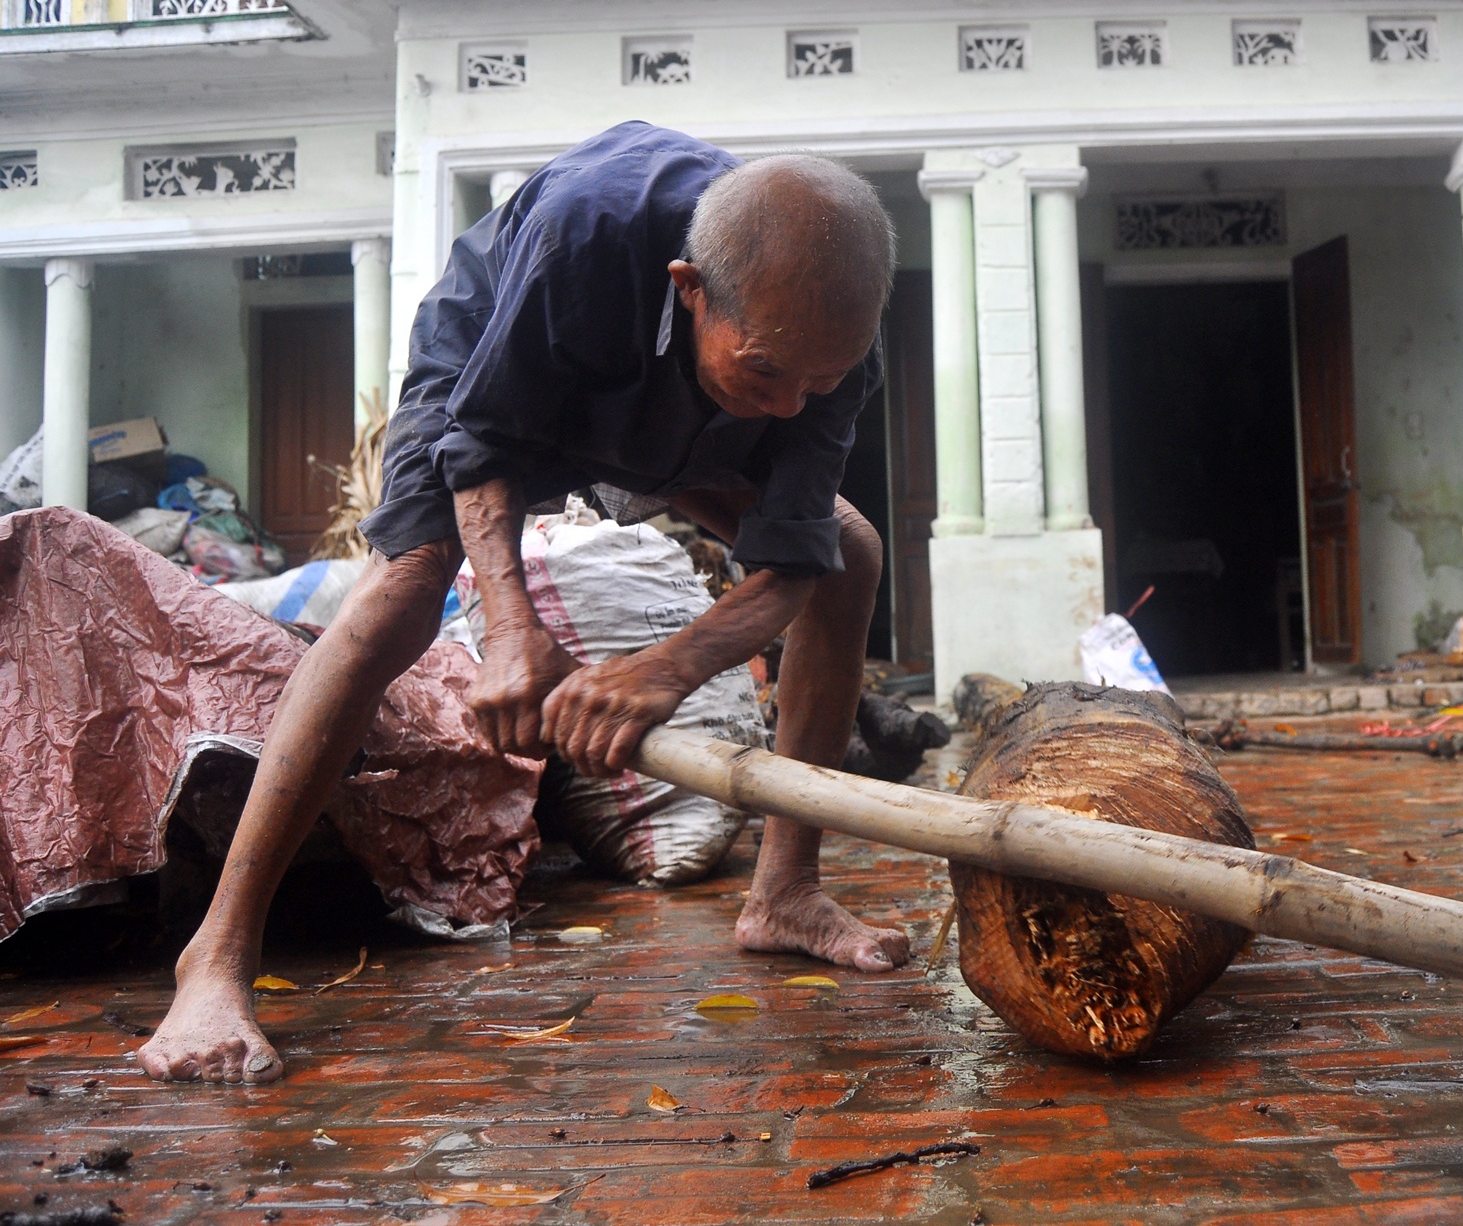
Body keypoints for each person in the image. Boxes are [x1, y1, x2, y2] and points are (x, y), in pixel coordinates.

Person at [139, 122, 909, 1085]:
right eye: (767, 372)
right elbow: (484, 447)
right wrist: (512, 633)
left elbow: (795, 557)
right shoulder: (583, 233)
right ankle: (215, 951)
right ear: (689, 287)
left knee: (853, 549)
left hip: (680, 403)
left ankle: (787, 889)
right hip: (494, 371)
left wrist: (664, 668)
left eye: (823, 380)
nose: (796, 406)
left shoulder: (821, 347)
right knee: (407, 587)